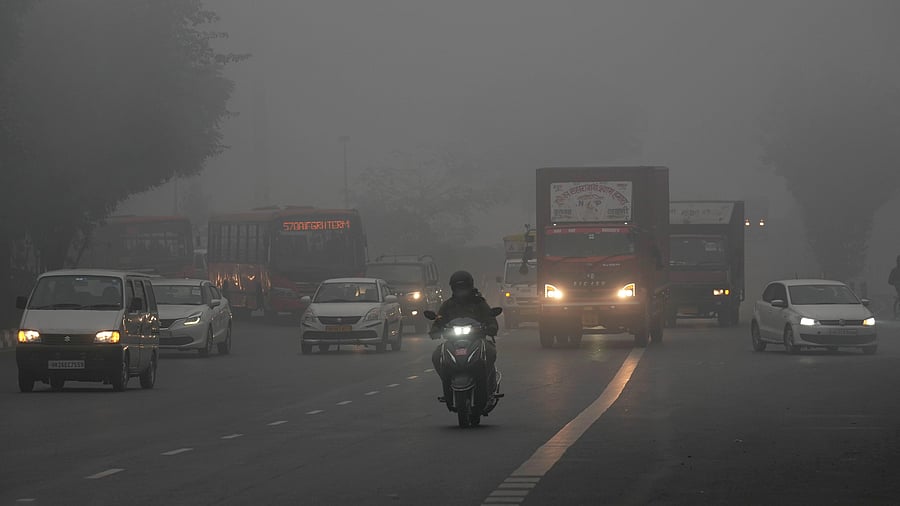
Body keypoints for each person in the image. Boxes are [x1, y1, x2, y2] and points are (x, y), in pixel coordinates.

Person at [430, 270, 499, 402]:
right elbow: (439, 319)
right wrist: (435, 330)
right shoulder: (447, 305)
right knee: (437, 355)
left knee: (490, 352)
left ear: (470, 286)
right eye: (458, 288)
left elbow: (490, 319)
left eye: (464, 288)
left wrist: (491, 328)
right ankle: (447, 384)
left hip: (477, 340)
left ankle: (489, 384)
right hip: (453, 342)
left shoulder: (479, 303)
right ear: (453, 288)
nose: (461, 291)